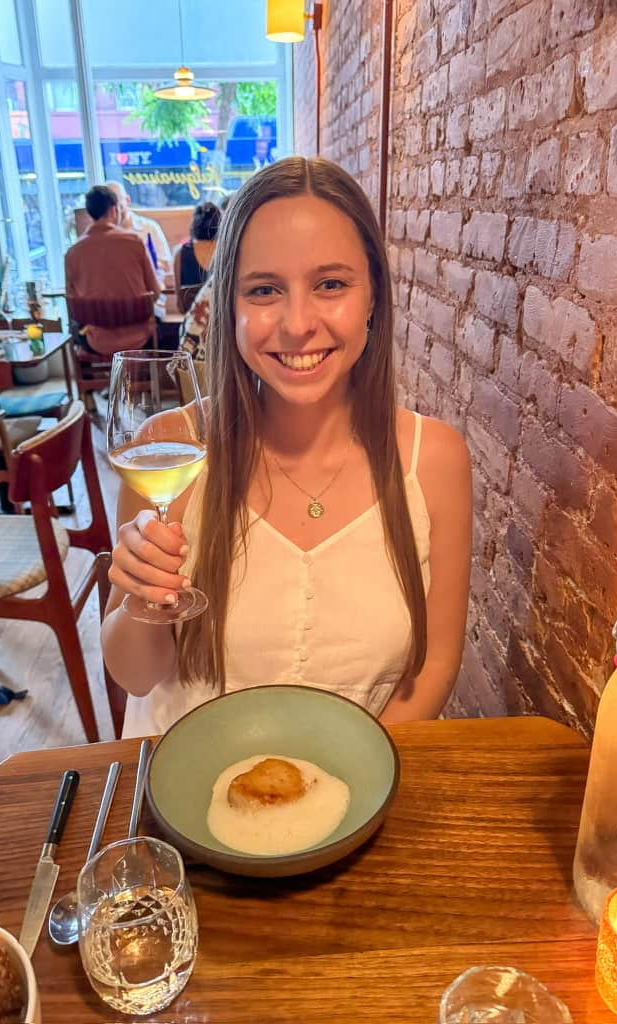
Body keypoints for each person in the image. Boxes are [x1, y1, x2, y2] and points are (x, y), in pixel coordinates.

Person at [102, 156, 472, 738]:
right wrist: (144, 601)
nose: (298, 324)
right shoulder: (169, 449)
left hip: (358, 800)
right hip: (186, 793)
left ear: (373, 293)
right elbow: (136, 676)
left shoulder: (436, 460)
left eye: (331, 284)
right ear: (229, 305)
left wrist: (343, 788)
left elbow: (434, 669)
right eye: (265, 290)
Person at [64, 185, 160, 355]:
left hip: (97, 341)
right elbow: (155, 292)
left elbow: (73, 305)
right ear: (114, 210)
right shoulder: (134, 242)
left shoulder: (73, 253)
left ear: (90, 213)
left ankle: (102, 379)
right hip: (139, 337)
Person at [105, 180, 171, 322]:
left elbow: (166, 264)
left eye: (115, 201)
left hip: (149, 303)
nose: (113, 208)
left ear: (127, 200)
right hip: (115, 306)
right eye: (108, 203)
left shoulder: (149, 227)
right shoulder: (102, 238)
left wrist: (141, 266)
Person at [172, 201, 221, 313]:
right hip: (223, 323)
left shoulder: (180, 252)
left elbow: (180, 304)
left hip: (191, 324)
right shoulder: (227, 251)